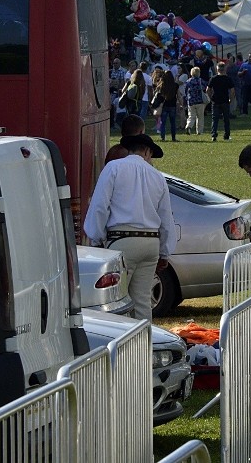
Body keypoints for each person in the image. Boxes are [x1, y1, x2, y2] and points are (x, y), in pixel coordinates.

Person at [84, 134, 175, 321]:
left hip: (121, 240)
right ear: (147, 151)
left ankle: (122, 346)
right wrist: (165, 252)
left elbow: (100, 205)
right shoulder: (157, 176)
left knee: (117, 300)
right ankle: (145, 345)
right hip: (150, 243)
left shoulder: (114, 168)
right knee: (142, 301)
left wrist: (96, 238)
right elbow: (166, 217)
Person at [207, 61, 234, 141]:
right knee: (226, 119)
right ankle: (226, 135)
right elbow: (232, 91)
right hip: (225, 100)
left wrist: (210, 98)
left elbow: (208, 89)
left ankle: (214, 135)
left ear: (217, 69)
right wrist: (231, 99)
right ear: (224, 69)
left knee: (214, 119)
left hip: (215, 100)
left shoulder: (213, 78)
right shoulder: (228, 79)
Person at [155, 69, 179, 141]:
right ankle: (173, 137)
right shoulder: (175, 85)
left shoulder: (162, 85)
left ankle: (163, 137)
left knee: (163, 122)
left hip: (164, 105)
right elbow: (179, 95)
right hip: (173, 105)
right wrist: (181, 104)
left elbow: (156, 92)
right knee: (173, 123)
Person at [183, 66, 207, 135]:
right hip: (200, 100)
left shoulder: (188, 81)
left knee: (191, 116)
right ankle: (199, 131)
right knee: (200, 117)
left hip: (191, 101)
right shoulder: (200, 80)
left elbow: (185, 90)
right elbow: (205, 87)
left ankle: (188, 126)